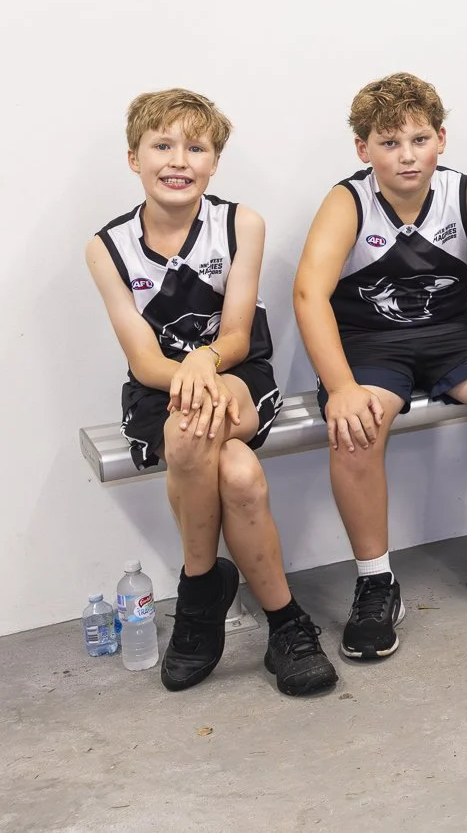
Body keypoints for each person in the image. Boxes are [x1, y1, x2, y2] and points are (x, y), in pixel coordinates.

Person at [295, 74, 467, 662]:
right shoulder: (348, 201)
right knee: (355, 430)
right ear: (363, 148)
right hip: (371, 341)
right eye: (389, 142)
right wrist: (340, 388)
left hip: (451, 333)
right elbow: (308, 294)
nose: (407, 155)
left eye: (419, 139)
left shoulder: (461, 192)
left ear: (441, 139)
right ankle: (375, 581)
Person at [83, 90, 338, 697]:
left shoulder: (239, 223)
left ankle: (199, 592)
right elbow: (145, 359)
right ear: (133, 158)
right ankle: (286, 621)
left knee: (195, 427)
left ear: (214, 162)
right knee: (239, 474)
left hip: (237, 372)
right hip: (158, 388)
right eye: (162, 146)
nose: (178, 160)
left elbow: (238, 335)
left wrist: (204, 361)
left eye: (195, 147)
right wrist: (189, 374)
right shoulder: (107, 247)